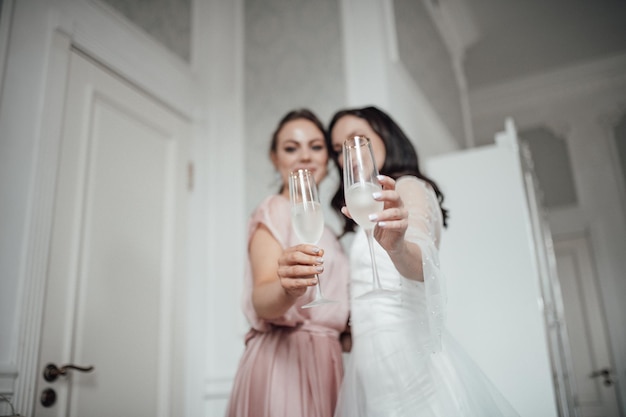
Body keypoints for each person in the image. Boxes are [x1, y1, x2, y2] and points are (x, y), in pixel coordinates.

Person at [326, 106, 519, 417]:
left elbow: (421, 263)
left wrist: (398, 247)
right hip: (371, 370)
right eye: (338, 150)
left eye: (358, 138)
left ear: (385, 135)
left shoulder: (409, 187)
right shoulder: (366, 207)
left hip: (409, 365)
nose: (347, 154)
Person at [226, 109, 350, 417]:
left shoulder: (329, 232)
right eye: (291, 148)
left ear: (327, 158)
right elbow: (263, 300)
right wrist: (289, 290)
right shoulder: (275, 209)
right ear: (274, 158)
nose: (305, 156)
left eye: (316, 146)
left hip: (328, 363)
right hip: (283, 366)